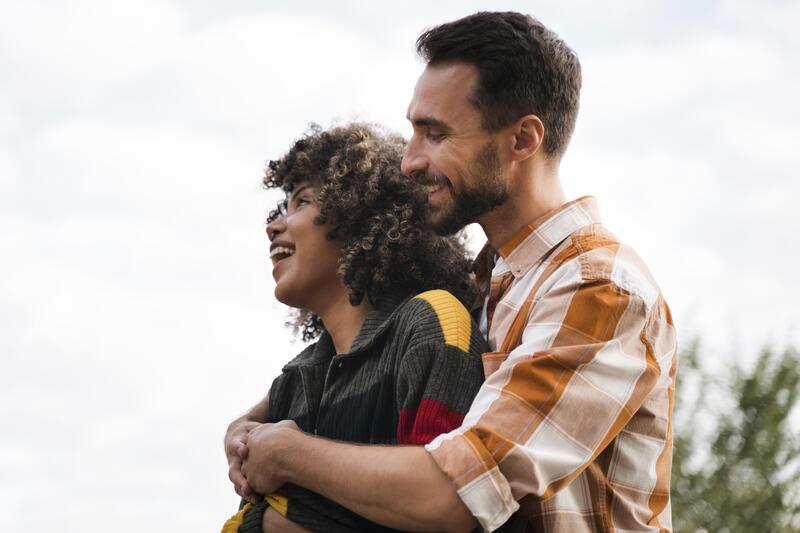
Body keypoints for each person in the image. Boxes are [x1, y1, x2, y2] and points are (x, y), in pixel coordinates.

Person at [235, 11, 678, 533]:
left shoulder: (599, 289)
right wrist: (250, 426)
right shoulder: (482, 286)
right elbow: (358, 357)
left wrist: (286, 454)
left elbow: (456, 494)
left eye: (435, 134)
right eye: (413, 131)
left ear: (522, 140)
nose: (409, 161)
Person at [222, 123, 487, 533]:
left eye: (302, 201)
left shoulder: (431, 324)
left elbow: (445, 506)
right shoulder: (295, 380)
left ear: (360, 215)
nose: (274, 225)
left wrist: (274, 513)